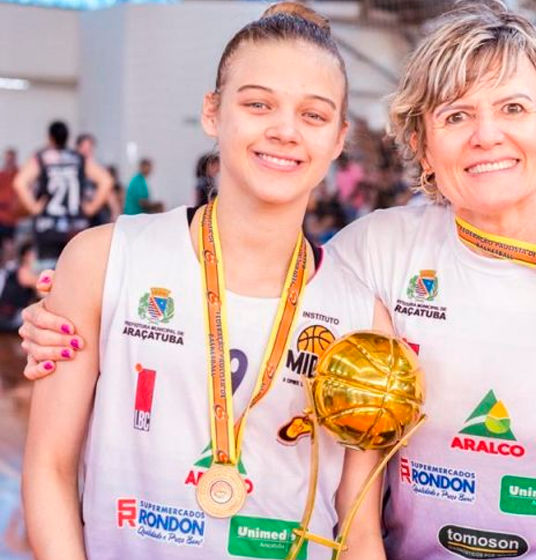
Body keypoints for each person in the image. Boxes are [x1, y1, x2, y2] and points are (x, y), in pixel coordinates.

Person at [18, 2, 536, 559]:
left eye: (513, 109)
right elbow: (248, 292)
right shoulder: (370, 255)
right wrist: (67, 311)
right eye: (457, 114)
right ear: (422, 144)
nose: (488, 135)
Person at [21, 5, 388, 560]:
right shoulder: (104, 260)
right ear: (213, 112)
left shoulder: (363, 317)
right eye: (258, 103)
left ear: (338, 139)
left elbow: (359, 532)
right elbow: (49, 469)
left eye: (313, 115)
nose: (284, 130)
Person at [13, 122, 113, 271]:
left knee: (46, 275)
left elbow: (19, 183)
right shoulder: (78, 158)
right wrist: (90, 208)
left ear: (50, 137)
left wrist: (34, 207)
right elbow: (106, 181)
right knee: (75, 272)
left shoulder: (42, 157)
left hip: (47, 226)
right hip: (75, 225)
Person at [76, 133, 121, 226]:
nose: (86, 153)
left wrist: (115, 212)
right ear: (77, 148)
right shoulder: (72, 168)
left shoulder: (98, 169)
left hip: (95, 216)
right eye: (84, 149)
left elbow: (108, 190)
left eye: (89, 149)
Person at [0, 148, 20, 262]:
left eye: (11, 159)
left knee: (9, 244)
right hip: (1, 217)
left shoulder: (18, 175)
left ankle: (9, 264)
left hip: (12, 219)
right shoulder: (1, 175)